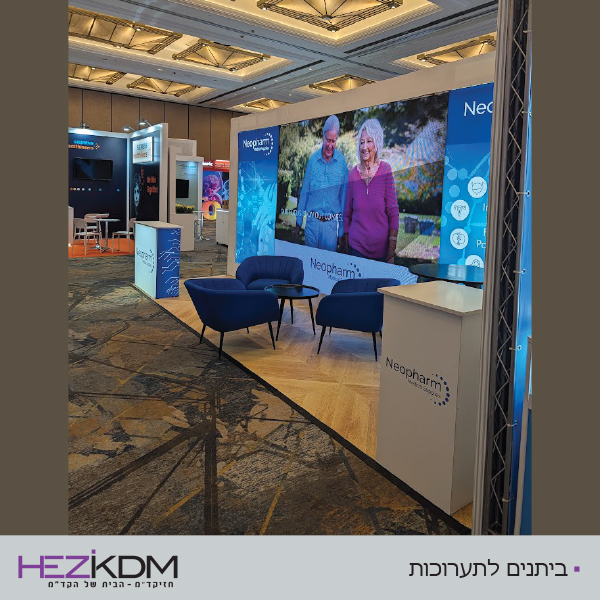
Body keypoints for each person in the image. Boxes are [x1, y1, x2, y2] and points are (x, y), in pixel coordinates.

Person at [342, 118, 399, 263]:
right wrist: (346, 249)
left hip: (381, 252)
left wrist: (391, 254)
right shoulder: (352, 175)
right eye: (362, 142)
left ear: (377, 143)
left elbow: (393, 213)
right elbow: (346, 214)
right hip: (356, 249)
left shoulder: (385, 170)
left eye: (369, 141)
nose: (365, 146)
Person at [295, 115, 348, 251]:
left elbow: (343, 198)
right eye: (328, 140)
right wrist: (298, 222)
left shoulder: (341, 162)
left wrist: (341, 231)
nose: (330, 145)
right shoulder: (313, 160)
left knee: (327, 263)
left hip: (330, 227)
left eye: (333, 141)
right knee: (309, 261)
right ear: (323, 137)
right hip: (312, 223)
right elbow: (305, 192)